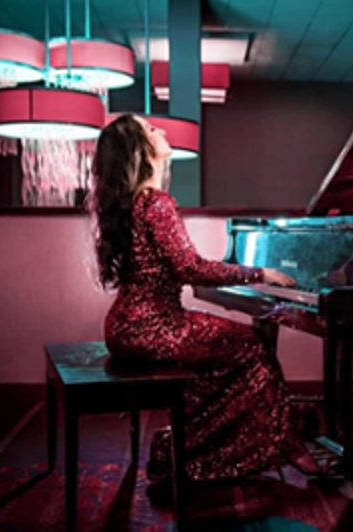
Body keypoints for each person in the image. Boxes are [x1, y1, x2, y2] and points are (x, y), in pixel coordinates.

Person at [90, 113, 325, 481]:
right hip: (155, 327)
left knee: (221, 365)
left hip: (124, 327)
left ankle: (212, 442)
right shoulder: (157, 203)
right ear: (140, 150)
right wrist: (260, 273)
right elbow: (191, 269)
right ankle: (267, 445)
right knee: (253, 346)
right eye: (152, 130)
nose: (162, 130)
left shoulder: (135, 203)